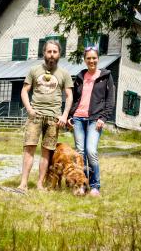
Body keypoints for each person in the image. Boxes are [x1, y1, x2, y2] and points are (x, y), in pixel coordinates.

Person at [18, 40, 73, 191]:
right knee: (29, 149)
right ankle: (23, 183)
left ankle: (40, 184)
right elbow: (24, 91)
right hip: (35, 116)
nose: (52, 55)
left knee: (46, 152)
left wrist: (64, 115)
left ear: (59, 54)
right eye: (49, 51)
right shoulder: (34, 70)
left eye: (55, 52)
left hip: (54, 119)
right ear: (44, 53)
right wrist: (29, 109)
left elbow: (69, 96)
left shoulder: (64, 74)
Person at [68, 46, 115, 197]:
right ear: (85, 60)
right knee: (80, 153)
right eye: (88, 58)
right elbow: (75, 98)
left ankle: (95, 186)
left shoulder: (106, 76)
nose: (91, 60)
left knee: (91, 151)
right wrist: (70, 115)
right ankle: (81, 185)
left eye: (94, 57)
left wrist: (104, 118)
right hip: (78, 118)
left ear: (98, 59)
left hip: (95, 119)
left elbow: (110, 100)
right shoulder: (80, 76)